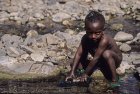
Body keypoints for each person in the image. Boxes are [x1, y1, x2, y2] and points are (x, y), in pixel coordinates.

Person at [65, 11, 122, 85]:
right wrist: (72, 72)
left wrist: (85, 74)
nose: (93, 36)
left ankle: (115, 79)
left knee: (106, 53)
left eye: (97, 33)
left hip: (114, 61)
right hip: (100, 61)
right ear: (85, 29)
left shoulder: (104, 40)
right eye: (90, 33)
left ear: (103, 30)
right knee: (74, 63)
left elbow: (95, 58)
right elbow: (79, 54)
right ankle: (80, 75)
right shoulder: (85, 38)